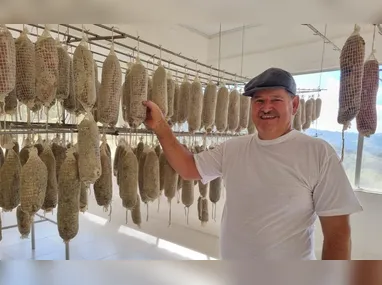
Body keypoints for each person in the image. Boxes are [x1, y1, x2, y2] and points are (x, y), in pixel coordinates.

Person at [143, 67, 363, 260]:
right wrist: (161, 126)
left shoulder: (318, 153)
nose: (266, 108)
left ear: (294, 104)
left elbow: (338, 234)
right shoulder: (233, 148)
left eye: (275, 99)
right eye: (259, 101)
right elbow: (188, 168)